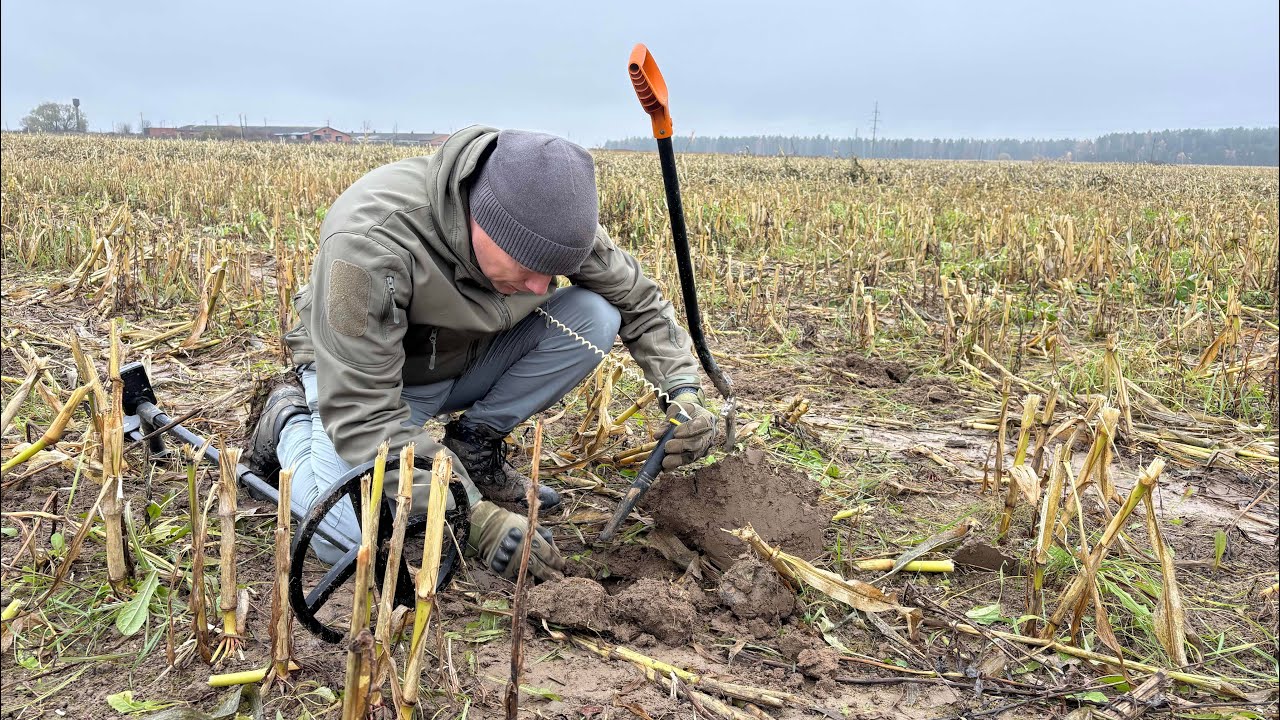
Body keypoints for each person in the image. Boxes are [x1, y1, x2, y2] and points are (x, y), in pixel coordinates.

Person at [245, 126, 716, 581]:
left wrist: (683, 389)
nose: (540, 288)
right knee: (340, 537)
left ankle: (472, 444)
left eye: (552, 275)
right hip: (363, 382)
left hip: (461, 357)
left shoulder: (549, 225)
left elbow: (637, 299)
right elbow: (363, 411)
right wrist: (474, 517)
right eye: (530, 270)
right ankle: (287, 419)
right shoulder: (368, 244)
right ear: (484, 222)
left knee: (595, 314)